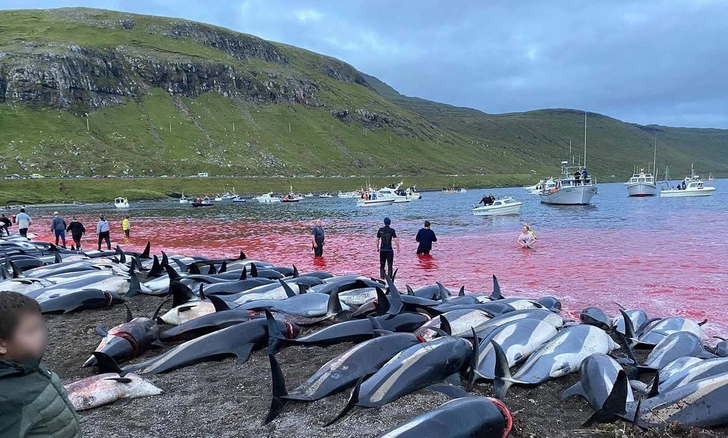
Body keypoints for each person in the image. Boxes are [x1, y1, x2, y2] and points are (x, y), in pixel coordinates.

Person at [0, 291, 82, 437]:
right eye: (31, 331)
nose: (41, 335)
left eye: (40, 327)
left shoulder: (29, 365)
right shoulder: (6, 400)